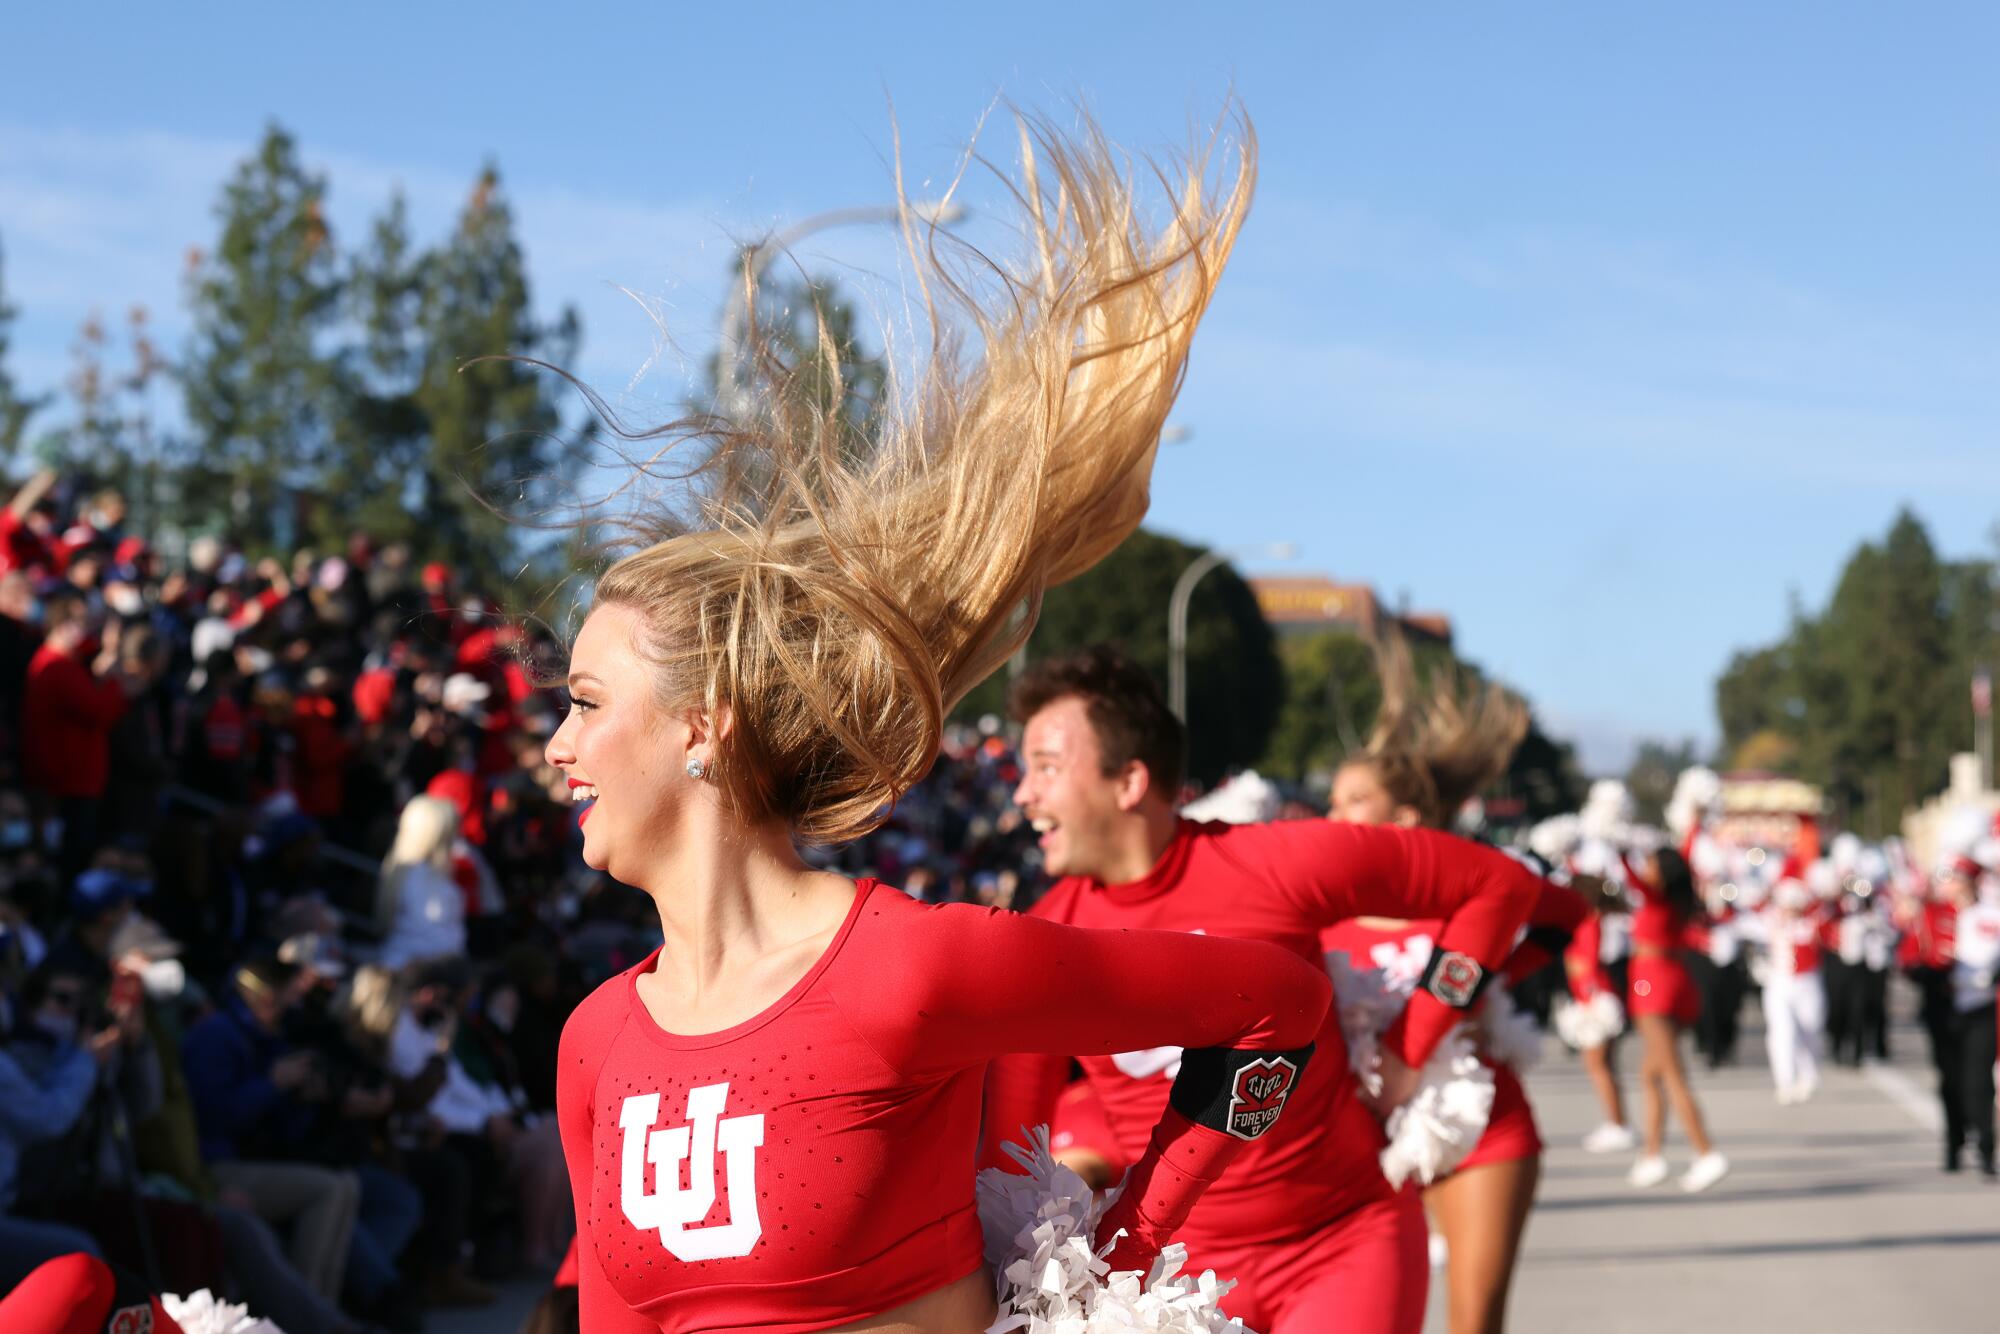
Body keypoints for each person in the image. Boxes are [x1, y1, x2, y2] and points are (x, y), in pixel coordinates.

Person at [553, 106, 1339, 1333]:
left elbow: (1275, 1003)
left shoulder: (912, 965)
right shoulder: (596, 1041)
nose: (556, 745)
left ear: (702, 725)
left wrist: (1102, 1267)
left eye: (587, 702)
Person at [984, 646, 1550, 1334]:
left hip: (1342, 1242)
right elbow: (1009, 1168)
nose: (1022, 794)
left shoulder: (1275, 861)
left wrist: (1410, 1048)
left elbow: (1502, 885)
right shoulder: (1043, 940)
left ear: (1130, 780)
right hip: (1172, 1278)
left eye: (1045, 768)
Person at [1322, 631, 1587, 1334]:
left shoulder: (1468, 893)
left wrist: (1490, 980)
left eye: (1352, 800)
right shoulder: (1320, 915)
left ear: (1403, 818)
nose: (1332, 816)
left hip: (1480, 1129)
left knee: (1472, 1324)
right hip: (1362, 1142)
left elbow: (1566, 912)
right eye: (1332, 800)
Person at [1618, 845, 1730, 1192]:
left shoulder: (1657, 896)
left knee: (1672, 1075)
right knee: (1650, 1076)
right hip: (1673, 979)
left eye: (1650, 863)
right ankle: (1652, 1156)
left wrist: (1621, 852)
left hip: (1651, 981)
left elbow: (1636, 880)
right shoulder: (1677, 898)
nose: (1645, 869)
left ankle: (1706, 1152)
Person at [373, 795, 467, 970]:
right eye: (452, 831)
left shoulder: (405, 873)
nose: (458, 836)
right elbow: (433, 936)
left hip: (411, 968)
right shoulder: (420, 877)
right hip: (416, 974)